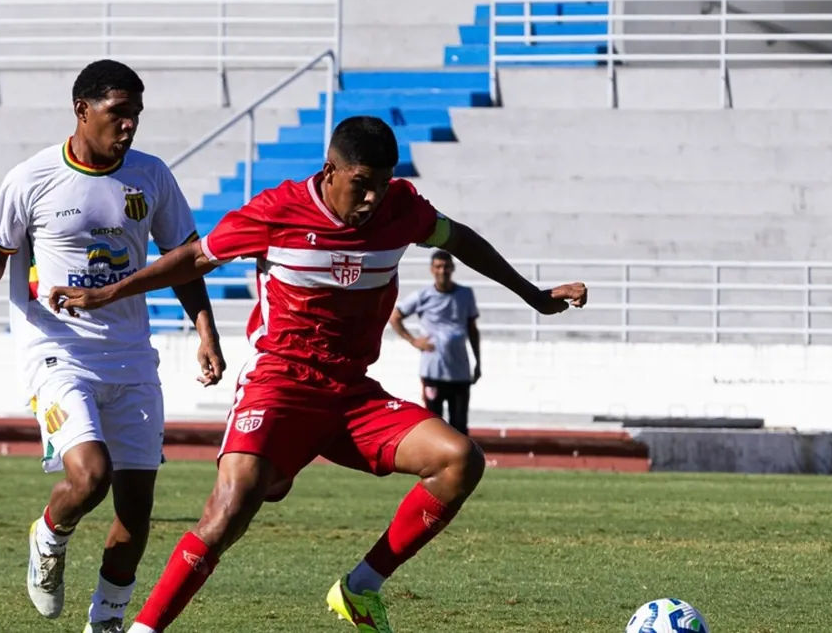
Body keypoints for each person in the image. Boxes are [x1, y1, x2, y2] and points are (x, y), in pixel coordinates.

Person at [48, 116, 587, 633]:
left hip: (353, 395)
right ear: (331, 172)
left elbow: (460, 239)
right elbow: (193, 258)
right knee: (229, 510)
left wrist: (533, 295)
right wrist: (105, 293)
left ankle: (361, 586)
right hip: (279, 385)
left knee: (459, 460)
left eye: (383, 184)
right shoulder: (277, 211)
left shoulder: (402, 209)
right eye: (361, 185)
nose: (373, 198)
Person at [0, 59, 226, 633]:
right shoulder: (30, 179)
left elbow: (185, 259)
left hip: (132, 354)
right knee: (91, 475)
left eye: (135, 114)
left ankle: (106, 619)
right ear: (81, 111)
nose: (129, 125)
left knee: (136, 509)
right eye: (118, 113)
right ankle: (49, 535)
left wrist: (205, 330)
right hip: (57, 350)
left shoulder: (152, 176)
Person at [389, 250, 480, 435]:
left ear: (452, 268)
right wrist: (413, 341)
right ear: (432, 269)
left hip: (459, 371)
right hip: (433, 371)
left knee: (459, 425)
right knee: (434, 423)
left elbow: (472, 329)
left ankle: (462, 462)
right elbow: (395, 317)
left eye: (446, 266)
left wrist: (478, 362)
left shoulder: (465, 294)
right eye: (438, 266)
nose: (442, 270)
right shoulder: (423, 295)